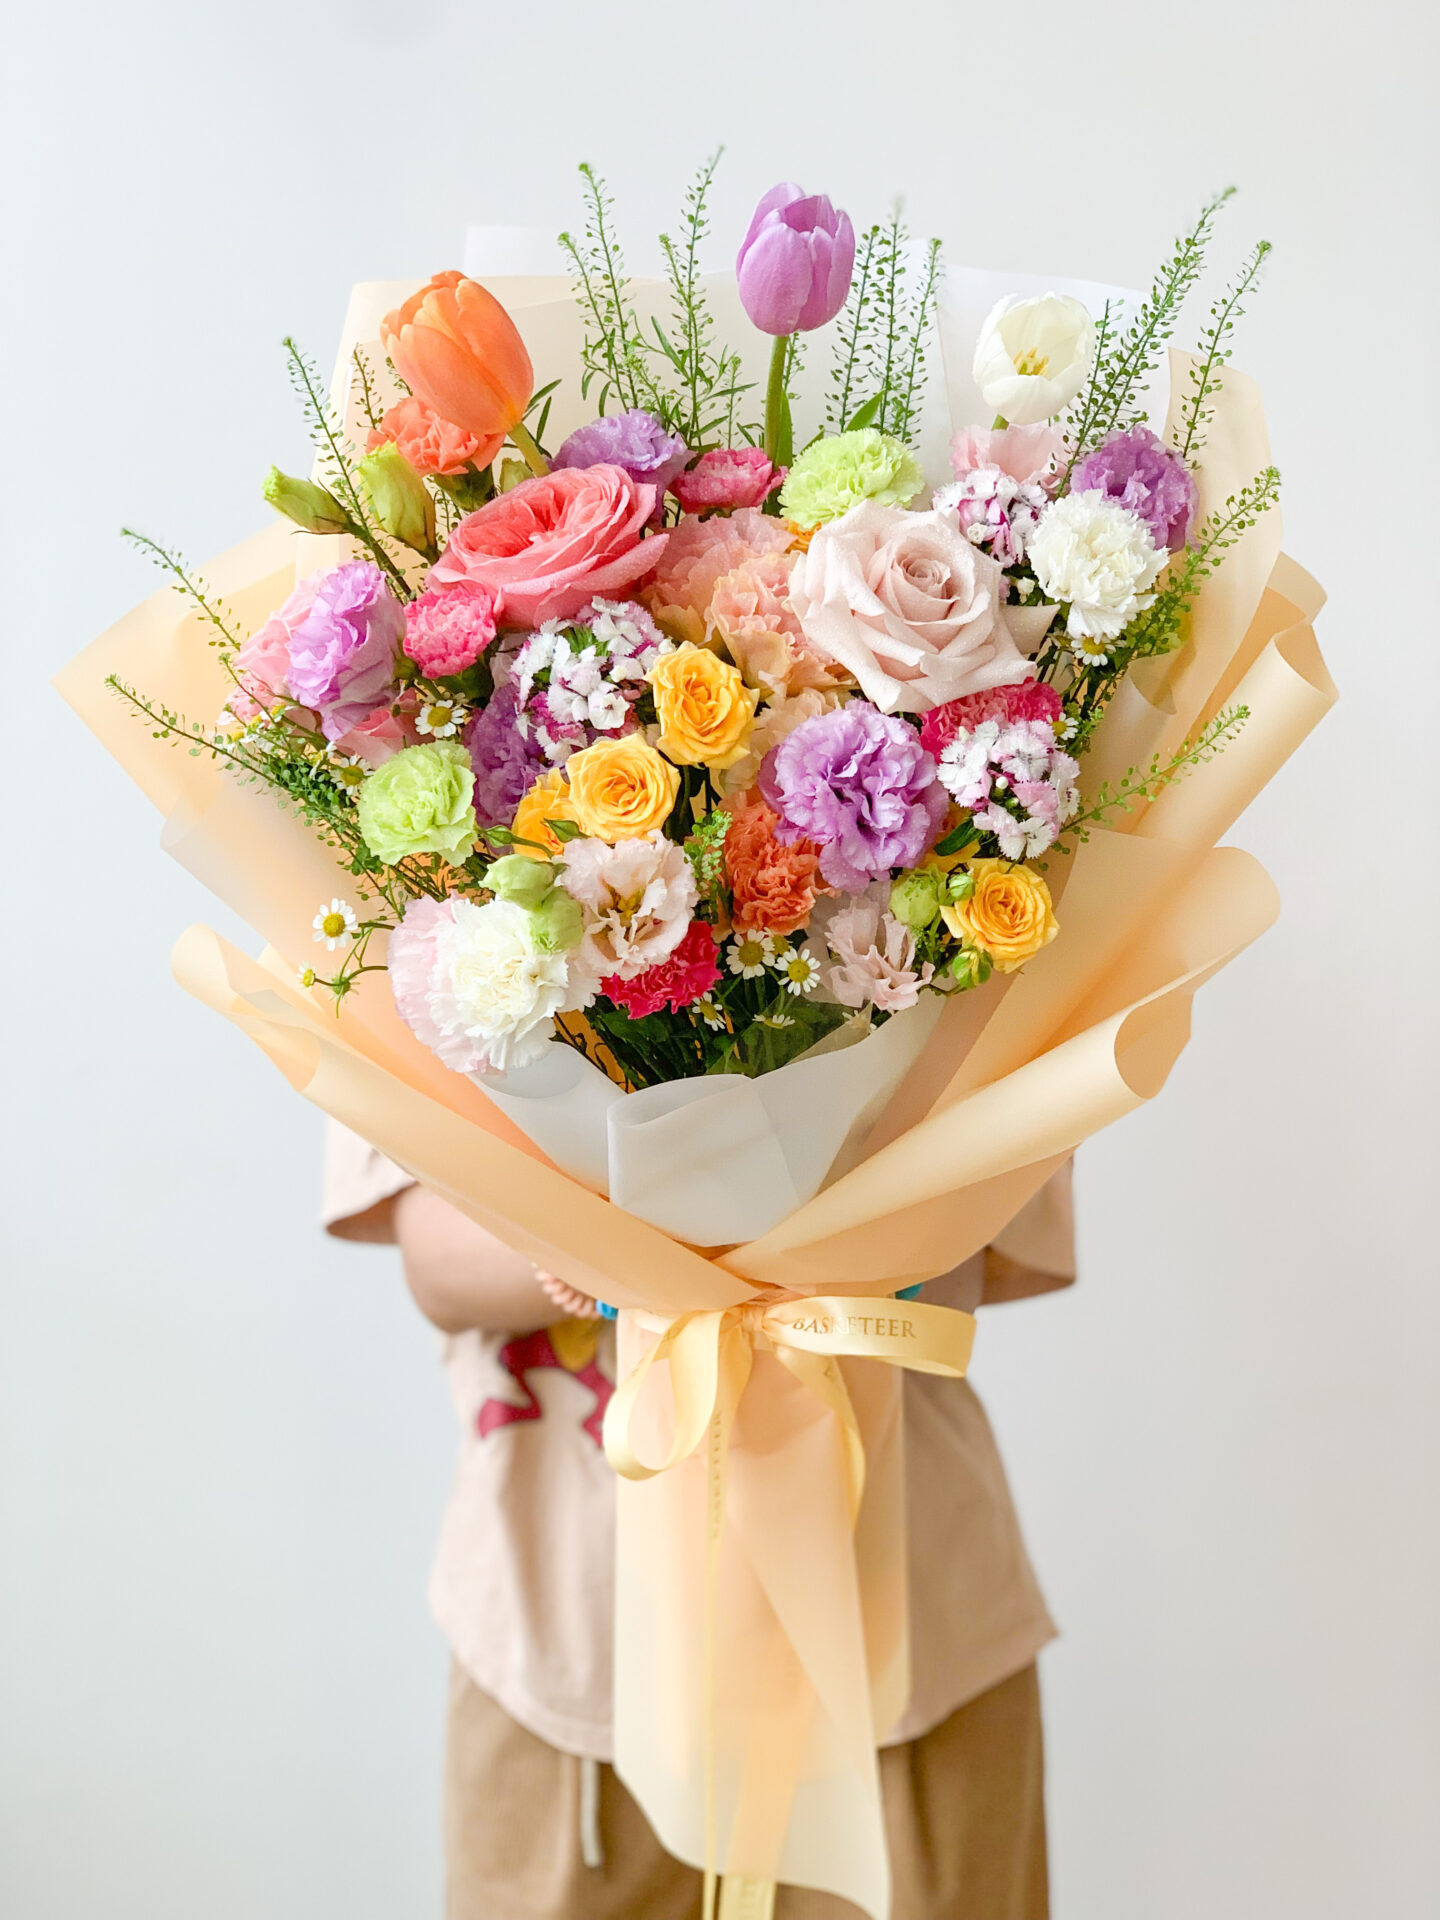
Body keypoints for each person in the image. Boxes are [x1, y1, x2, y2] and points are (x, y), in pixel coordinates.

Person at [324, 1120, 1074, 1920]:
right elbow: (438, 1258)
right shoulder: (388, 988)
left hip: (902, 1633)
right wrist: (672, 1253)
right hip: (563, 1639)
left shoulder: (1000, 985)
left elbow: (982, 1253)